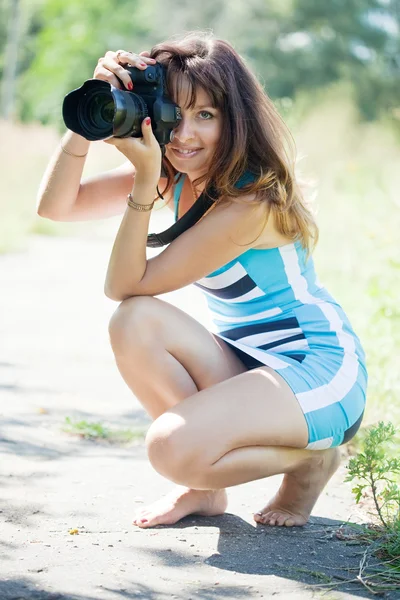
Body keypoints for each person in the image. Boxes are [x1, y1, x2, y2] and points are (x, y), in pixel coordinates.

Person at [37, 31, 367, 529]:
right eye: (174, 113)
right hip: (249, 364)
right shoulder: (176, 173)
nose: (184, 135)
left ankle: (310, 462)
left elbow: (124, 282)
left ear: (234, 121)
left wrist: (146, 181)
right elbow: (56, 207)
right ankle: (204, 491)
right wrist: (92, 109)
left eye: (205, 115)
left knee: (169, 448)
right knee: (134, 322)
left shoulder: (248, 203)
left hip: (317, 370)